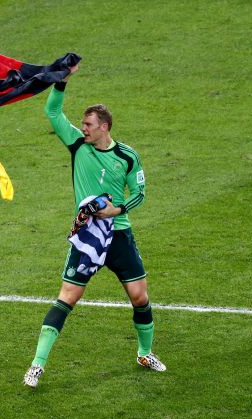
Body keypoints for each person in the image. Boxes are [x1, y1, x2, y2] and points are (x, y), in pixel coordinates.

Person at [24, 63, 166, 388]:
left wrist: (117, 209)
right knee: (68, 296)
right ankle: (36, 365)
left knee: (140, 296)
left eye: (89, 124)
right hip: (87, 236)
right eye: (83, 124)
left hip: (119, 235)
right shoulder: (77, 145)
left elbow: (140, 193)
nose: (83, 128)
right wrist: (60, 82)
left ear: (104, 126)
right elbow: (53, 112)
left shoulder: (127, 156)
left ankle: (144, 353)